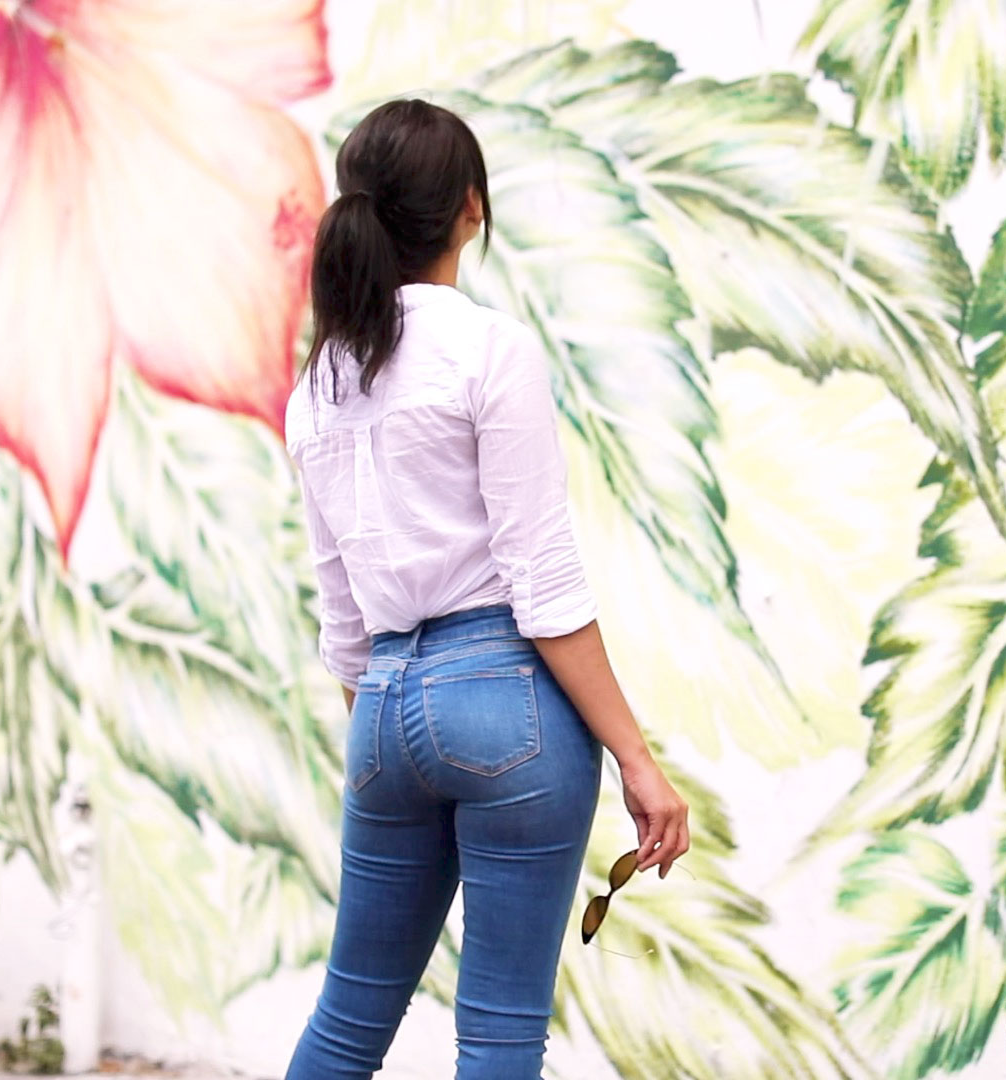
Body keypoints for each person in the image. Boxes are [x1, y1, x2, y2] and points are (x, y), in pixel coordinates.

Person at [281, 99, 691, 1080]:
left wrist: (392, 737)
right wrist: (636, 758)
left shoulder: (318, 388)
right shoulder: (489, 350)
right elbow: (542, 581)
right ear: (470, 207)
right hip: (506, 706)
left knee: (348, 1018)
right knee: (501, 1030)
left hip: (381, 708)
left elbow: (344, 625)